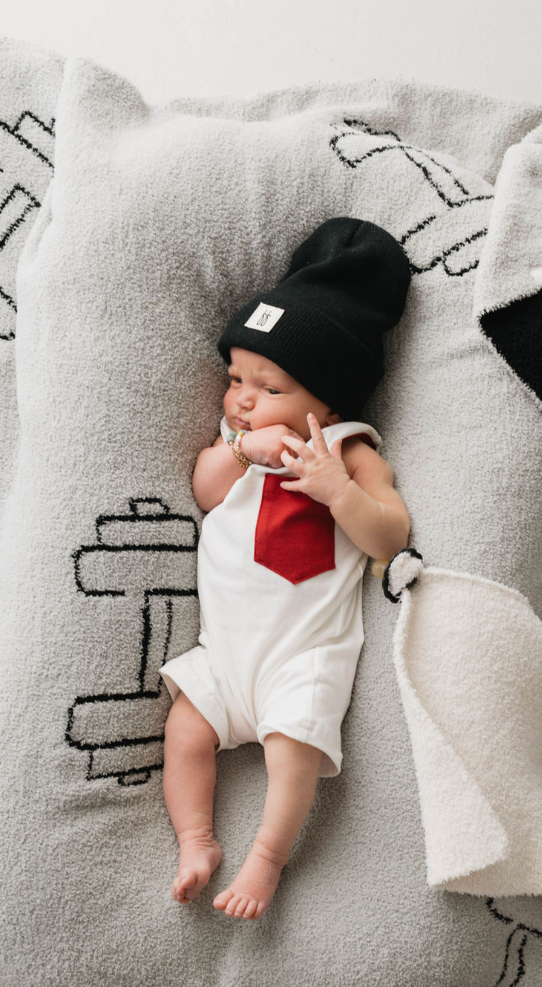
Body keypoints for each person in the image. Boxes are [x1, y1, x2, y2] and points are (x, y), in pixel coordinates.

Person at [160, 217, 411, 920]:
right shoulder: (232, 441)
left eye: (267, 387)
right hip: (224, 651)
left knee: (291, 752)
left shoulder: (349, 449)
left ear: (328, 399)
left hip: (302, 657)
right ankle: (196, 840)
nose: (241, 397)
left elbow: (388, 535)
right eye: (236, 377)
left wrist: (338, 491)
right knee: (184, 731)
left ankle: (266, 859)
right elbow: (208, 493)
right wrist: (241, 450)